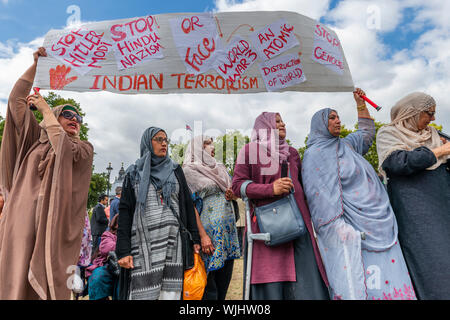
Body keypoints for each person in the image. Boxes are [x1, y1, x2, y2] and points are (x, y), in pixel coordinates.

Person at [301, 89, 416, 300]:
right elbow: (319, 197)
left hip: (380, 221)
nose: (338, 121)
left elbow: (366, 134)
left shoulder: (346, 144)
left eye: (338, 116)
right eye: (332, 118)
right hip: (353, 229)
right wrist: (337, 228)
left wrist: (360, 104)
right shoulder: (314, 155)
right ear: (319, 124)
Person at [0, 47, 94, 300]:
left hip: (54, 227)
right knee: (16, 278)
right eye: (68, 114)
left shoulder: (82, 149)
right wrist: (36, 66)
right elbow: (16, 100)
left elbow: (62, 147)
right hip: (20, 221)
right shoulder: (33, 139)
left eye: (78, 117)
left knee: (49, 281)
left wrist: (46, 111)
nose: (75, 119)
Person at [232, 112, 329, 300]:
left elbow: (303, 184)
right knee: (271, 285)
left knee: (306, 285)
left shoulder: (292, 153)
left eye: (283, 120)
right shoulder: (250, 150)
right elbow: (237, 186)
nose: (282, 124)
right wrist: (270, 189)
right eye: (276, 121)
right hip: (269, 228)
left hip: (299, 226)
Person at [376, 92, 450, 299]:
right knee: (435, 265)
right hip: (418, 212)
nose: (433, 119)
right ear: (412, 113)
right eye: (429, 113)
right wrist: (439, 152)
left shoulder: (436, 136)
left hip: (443, 203)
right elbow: (397, 163)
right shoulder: (388, 134)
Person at [115, 127, 201, 300]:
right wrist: (123, 251)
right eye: (158, 139)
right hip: (143, 247)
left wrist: (195, 239)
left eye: (166, 140)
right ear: (147, 143)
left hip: (172, 244)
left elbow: (186, 204)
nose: (164, 143)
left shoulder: (176, 170)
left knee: (170, 294)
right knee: (143, 293)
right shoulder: (133, 173)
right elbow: (125, 213)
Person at [182, 135, 241, 300]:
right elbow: (189, 206)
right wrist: (202, 236)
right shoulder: (188, 171)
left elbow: (234, 193)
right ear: (197, 148)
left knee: (224, 283)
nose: (212, 146)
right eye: (207, 143)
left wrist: (233, 194)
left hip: (228, 233)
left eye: (212, 143)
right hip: (209, 235)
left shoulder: (220, 168)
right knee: (209, 286)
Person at [86, 215, 120, 300]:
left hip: (127, 267)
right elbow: (106, 248)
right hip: (107, 265)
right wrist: (123, 246)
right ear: (116, 224)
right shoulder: (108, 234)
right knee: (97, 278)